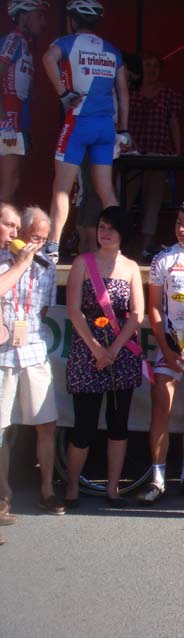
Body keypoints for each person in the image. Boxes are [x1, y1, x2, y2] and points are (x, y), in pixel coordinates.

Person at [64, 206, 144, 508]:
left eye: (111, 228)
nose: (104, 233)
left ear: (123, 232)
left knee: (118, 423)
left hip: (121, 355)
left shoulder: (132, 267)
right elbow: (74, 310)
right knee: (83, 425)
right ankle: (71, 487)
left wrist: (113, 350)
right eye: (101, 227)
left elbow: (136, 314)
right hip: (88, 353)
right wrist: (97, 349)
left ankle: (113, 488)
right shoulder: (82, 263)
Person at [42, 0, 130, 262]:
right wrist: (123, 129)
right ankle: (118, 245)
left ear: (72, 21)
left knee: (62, 188)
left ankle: (52, 247)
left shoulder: (66, 42)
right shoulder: (112, 50)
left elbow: (47, 59)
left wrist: (63, 93)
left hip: (78, 121)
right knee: (106, 190)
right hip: (106, 127)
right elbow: (123, 91)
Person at [136, 199, 184, 504]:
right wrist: (165, 349)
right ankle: (157, 477)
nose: (180, 229)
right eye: (178, 222)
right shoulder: (163, 258)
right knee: (160, 409)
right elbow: (153, 307)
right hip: (168, 343)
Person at [0, 206, 64, 521]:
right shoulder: (2, 261)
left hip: (34, 349)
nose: (36, 244)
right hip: (2, 353)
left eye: (42, 239)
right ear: (19, 234)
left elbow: (42, 312)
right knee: (2, 426)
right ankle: (3, 494)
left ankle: (47, 490)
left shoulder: (46, 268)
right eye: (32, 237)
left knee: (46, 421)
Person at [126, 51, 182, 259]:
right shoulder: (130, 91)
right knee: (124, 196)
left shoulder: (167, 93)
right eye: (147, 66)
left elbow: (173, 121)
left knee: (153, 200)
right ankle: (119, 239)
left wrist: (177, 151)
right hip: (132, 153)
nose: (151, 70)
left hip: (159, 152)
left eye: (155, 66)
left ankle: (146, 244)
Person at [0, 1, 48, 203]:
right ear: (24, 16)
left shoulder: (26, 43)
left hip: (18, 116)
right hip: (9, 116)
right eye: (39, 15)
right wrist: (4, 121)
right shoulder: (14, 39)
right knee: (10, 181)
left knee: (13, 180)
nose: (43, 22)